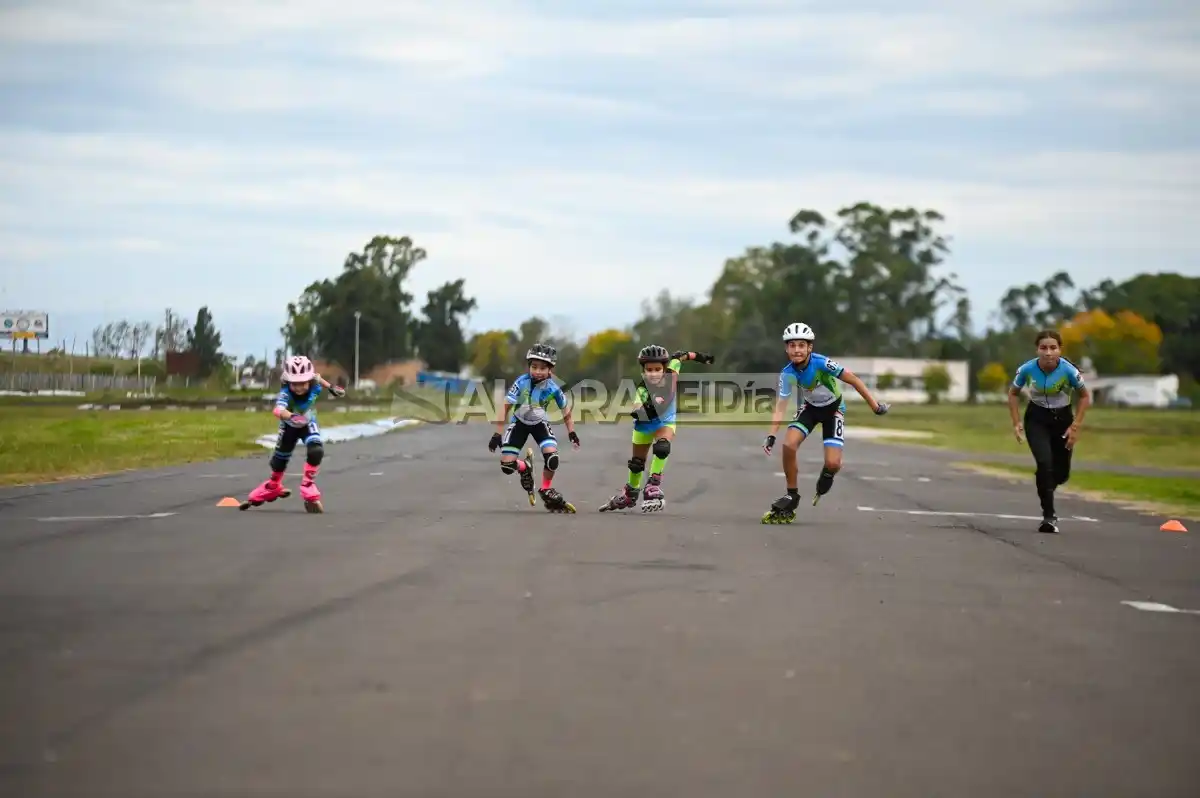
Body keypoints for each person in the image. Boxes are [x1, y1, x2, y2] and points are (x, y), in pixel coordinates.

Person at [761, 322, 889, 523]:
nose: (796, 350)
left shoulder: (821, 363)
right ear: (786, 348)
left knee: (832, 463)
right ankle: (792, 494)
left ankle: (828, 473)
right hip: (810, 409)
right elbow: (780, 406)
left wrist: (875, 406)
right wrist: (771, 435)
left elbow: (853, 379)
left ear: (809, 347)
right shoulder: (787, 373)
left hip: (833, 410)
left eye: (801, 345)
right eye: (792, 345)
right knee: (788, 445)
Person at [599, 344, 714, 513]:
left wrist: (702, 358)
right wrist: (640, 410)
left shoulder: (672, 373)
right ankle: (630, 491)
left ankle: (653, 484)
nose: (653, 373)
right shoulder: (642, 389)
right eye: (649, 370)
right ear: (643, 371)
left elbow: (681, 355)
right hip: (645, 423)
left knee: (662, 447)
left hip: (665, 422)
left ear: (664, 368)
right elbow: (637, 405)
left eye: (657, 369)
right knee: (637, 463)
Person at [1008, 328, 1091, 533]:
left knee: (1060, 474)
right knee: (1045, 464)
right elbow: (1013, 394)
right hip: (1036, 419)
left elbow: (1084, 397)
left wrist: (1075, 426)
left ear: (1059, 350)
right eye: (1043, 348)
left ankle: (1045, 484)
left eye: (1053, 348)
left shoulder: (1068, 371)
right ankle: (1049, 517)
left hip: (1063, 420)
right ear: (1037, 350)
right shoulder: (1027, 369)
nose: (1048, 352)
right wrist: (1016, 422)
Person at [241, 354, 344, 513]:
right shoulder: (286, 393)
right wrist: (290, 416)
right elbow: (278, 410)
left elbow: (318, 378)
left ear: (309, 380)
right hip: (289, 425)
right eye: (294, 384)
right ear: (288, 382)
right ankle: (273, 486)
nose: (299, 388)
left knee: (316, 450)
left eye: (303, 383)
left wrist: (331, 387)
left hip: (308, 422)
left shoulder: (315, 382)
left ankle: (308, 484)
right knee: (278, 461)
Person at [489, 343, 581, 512]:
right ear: (529, 366)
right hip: (519, 423)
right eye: (534, 367)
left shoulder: (553, 388)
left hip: (539, 423)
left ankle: (546, 488)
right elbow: (505, 407)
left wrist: (572, 431)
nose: (537, 371)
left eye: (542, 368)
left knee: (552, 457)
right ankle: (524, 467)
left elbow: (565, 410)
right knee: (507, 467)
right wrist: (497, 434)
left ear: (550, 370)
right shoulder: (521, 382)